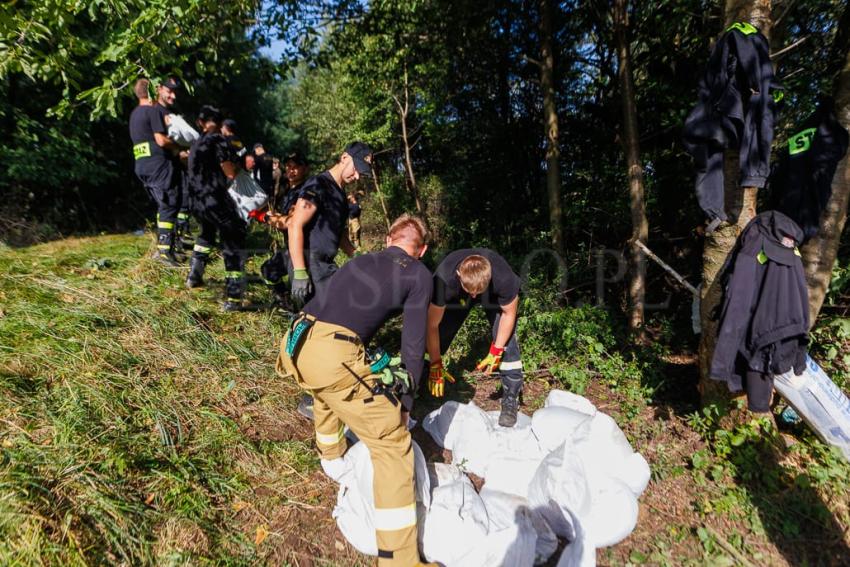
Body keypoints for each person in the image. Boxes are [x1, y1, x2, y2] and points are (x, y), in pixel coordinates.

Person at [276, 214, 435, 567]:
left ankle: (331, 458)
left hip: (295, 339)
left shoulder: (361, 261)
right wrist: (404, 404)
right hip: (330, 352)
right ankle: (400, 561)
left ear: (388, 240)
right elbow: (413, 345)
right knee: (392, 442)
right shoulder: (419, 273)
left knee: (329, 388)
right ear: (420, 249)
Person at [426, 249, 525, 427]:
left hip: (492, 295)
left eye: (477, 292)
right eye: (470, 292)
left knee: (507, 342)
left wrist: (497, 349)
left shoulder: (502, 277)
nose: (474, 296)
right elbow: (431, 325)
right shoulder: (443, 280)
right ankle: (423, 379)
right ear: (458, 274)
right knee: (441, 331)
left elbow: (509, 314)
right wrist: (435, 362)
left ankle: (511, 397)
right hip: (457, 293)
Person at [185, 105, 248, 311]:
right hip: (214, 199)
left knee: (206, 234)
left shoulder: (196, 144)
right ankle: (234, 297)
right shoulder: (218, 140)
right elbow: (229, 173)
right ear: (219, 124)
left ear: (200, 123)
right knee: (233, 238)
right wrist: (239, 165)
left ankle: (194, 275)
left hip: (197, 202)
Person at [128, 77, 185, 266]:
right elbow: (161, 140)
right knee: (170, 202)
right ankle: (164, 253)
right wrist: (177, 147)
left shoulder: (135, 114)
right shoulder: (152, 112)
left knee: (163, 206)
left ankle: (164, 247)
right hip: (159, 164)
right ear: (153, 92)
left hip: (142, 166)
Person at [259, 150, 311, 306]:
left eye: (295, 167)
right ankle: (285, 300)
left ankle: (299, 313)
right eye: (288, 166)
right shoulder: (288, 189)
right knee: (268, 270)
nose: (291, 170)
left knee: (303, 291)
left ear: (306, 168)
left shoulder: (306, 191)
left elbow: (291, 222)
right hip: (289, 246)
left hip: (303, 247)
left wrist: (267, 218)